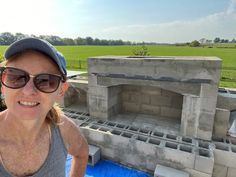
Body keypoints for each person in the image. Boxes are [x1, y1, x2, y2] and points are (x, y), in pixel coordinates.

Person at [0, 37, 89, 177]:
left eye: (45, 80)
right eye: (16, 76)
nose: (28, 91)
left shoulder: (64, 128)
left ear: (61, 90)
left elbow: (82, 153)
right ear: (3, 85)